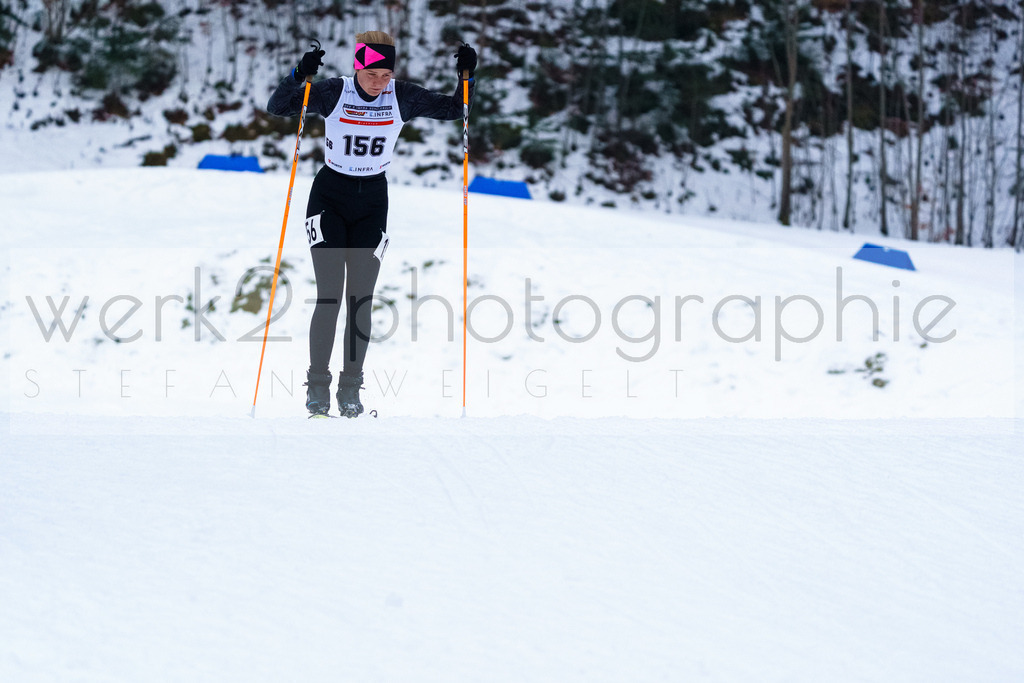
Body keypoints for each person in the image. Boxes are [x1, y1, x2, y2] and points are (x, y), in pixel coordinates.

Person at [268, 32, 476, 417]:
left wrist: (466, 77)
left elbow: (454, 110)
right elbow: (278, 106)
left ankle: (351, 389)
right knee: (330, 295)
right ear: (357, 67)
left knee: (360, 299)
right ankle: (317, 389)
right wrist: (299, 73)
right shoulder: (333, 92)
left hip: (373, 203)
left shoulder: (403, 96)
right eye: (373, 74)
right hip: (329, 197)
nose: (380, 83)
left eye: (386, 74)